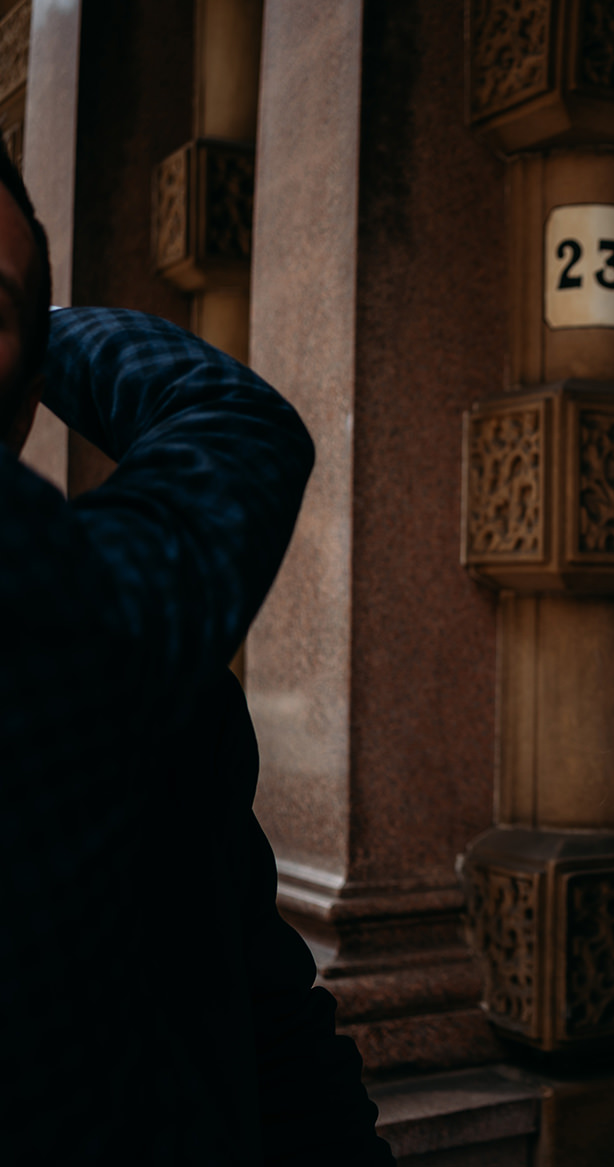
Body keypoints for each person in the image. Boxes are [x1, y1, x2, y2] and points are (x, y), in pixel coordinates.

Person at [0, 155, 392, 1163]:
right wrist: (34, 320)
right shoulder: (76, 616)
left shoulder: (113, 646)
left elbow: (249, 993)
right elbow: (231, 421)